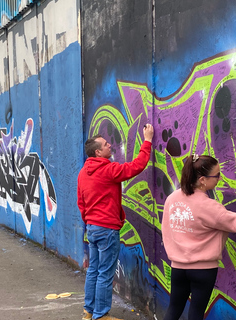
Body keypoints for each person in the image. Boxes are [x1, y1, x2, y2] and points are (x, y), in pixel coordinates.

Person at [161, 154, 236, 320]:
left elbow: (166, 228)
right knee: (196, 314)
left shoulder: (172, 199)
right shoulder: (209, 206)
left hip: (178, 268)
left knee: (173, 310)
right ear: (202, 180)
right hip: (203, 270)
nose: (219, 178)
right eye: (216, 175)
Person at [77, 124, 154, 320]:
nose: (110, 145)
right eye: (105, 144)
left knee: (93, 271)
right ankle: (101, 315)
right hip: (107, 229)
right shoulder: (108, 170)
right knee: (105, 273)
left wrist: (89, 221)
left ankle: (89, 311)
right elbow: (136, 166)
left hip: (92, 228)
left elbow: (81, 202)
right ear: (97, 151)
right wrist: (147, 141)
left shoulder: (83, 173)